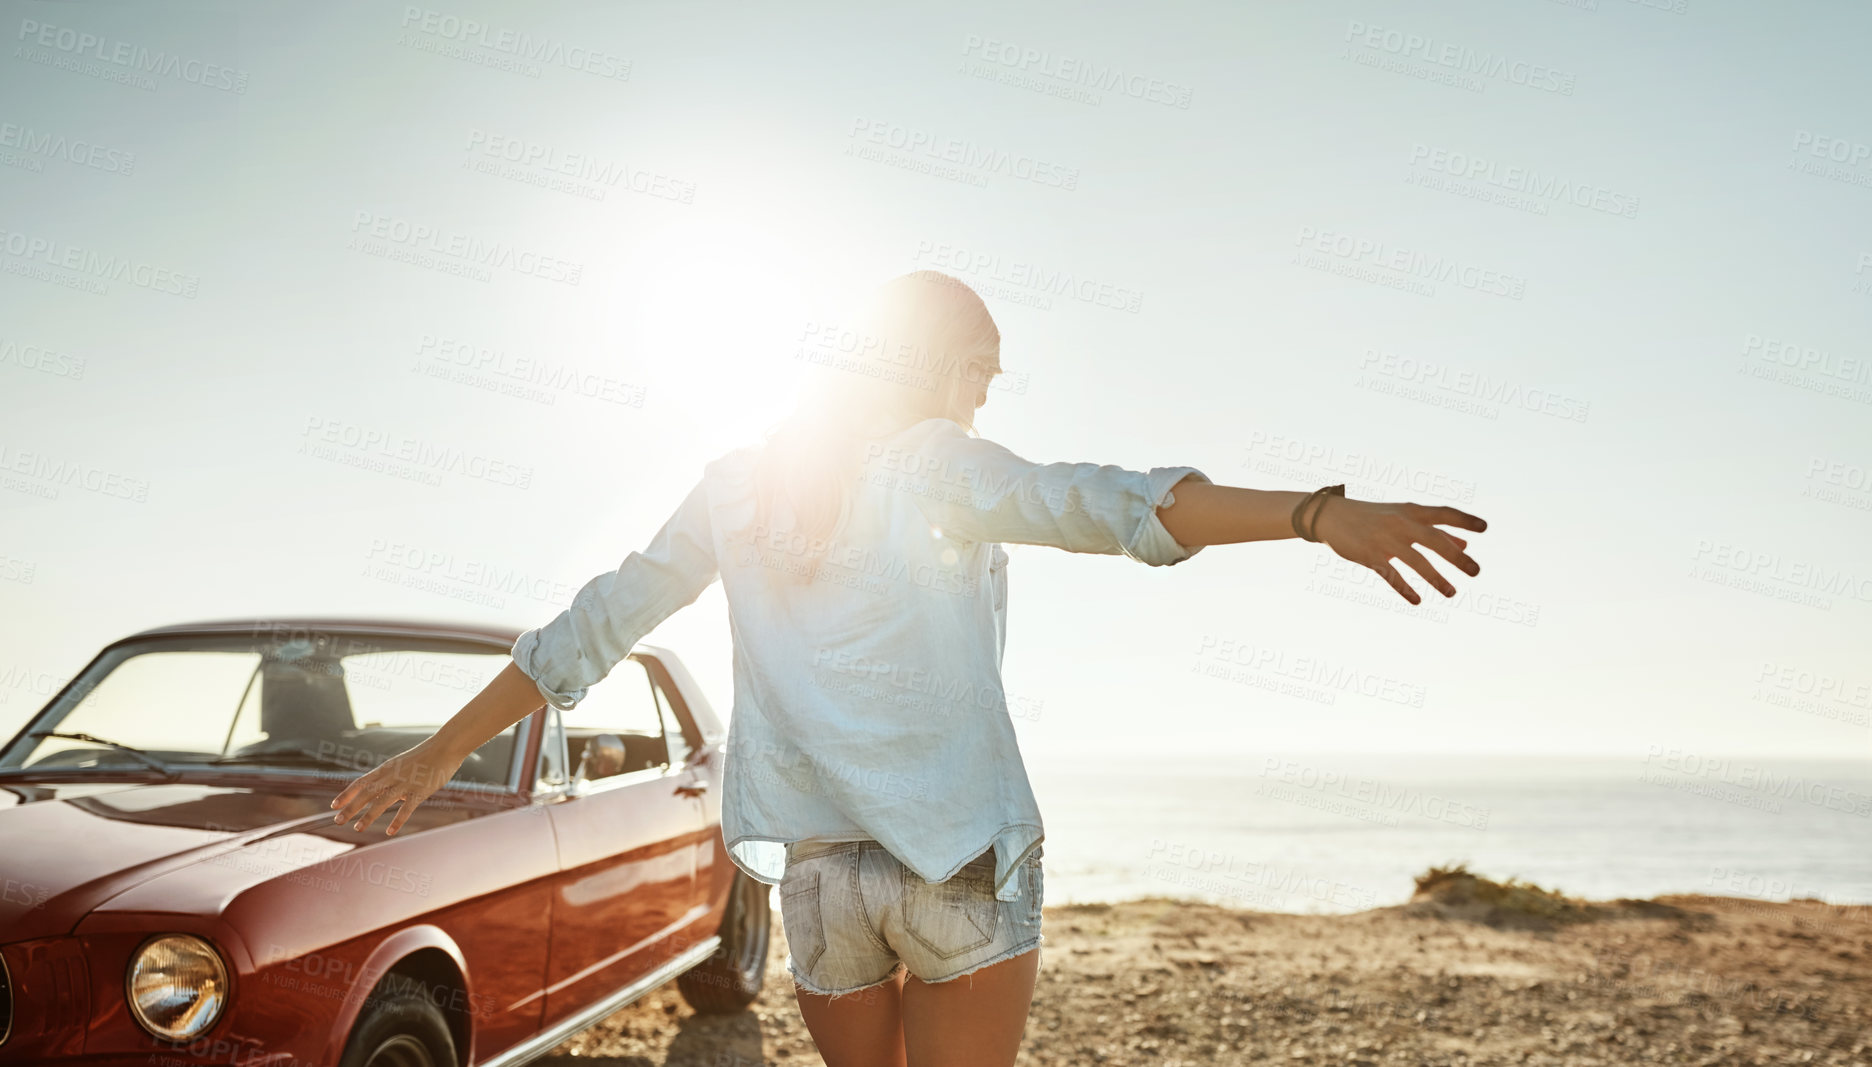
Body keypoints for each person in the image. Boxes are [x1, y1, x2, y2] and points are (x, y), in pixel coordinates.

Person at [330, 270, 1487, 1067]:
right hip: (957, 866)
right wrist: (1311, 511)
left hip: (824, 885)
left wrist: (437, 753)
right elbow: (1110, 501)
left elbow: (593, 625)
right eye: (978, 368)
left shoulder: (738, 484)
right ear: (929, 363)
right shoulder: (935, 464)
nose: (984, 391)